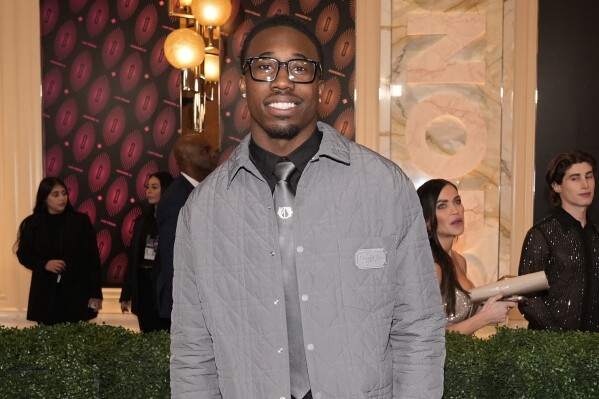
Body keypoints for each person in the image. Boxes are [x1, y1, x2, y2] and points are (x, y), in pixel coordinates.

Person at [170, 15, 445, 399]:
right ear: (244, 83)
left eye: (300, 67)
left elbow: (418, 327)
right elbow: (193, 349)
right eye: (265, 66)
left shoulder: (385, 187)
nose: (283, 80)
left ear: (320, 85)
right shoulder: (202, 211)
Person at [417, 179, 515, 335]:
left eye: (457, 201)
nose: (455, 210)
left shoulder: (459, 261)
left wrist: (496, 301)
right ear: (427, 220)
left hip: (462, 355)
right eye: (442, 206)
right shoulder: (431, 267)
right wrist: (485, 317)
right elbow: (427, 336)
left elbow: (462, 316)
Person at [518, 150, 599, 332]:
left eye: (589, 176)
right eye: (575, 178)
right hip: (551, 350)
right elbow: (528, 298)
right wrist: (561, 340)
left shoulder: (596, 235)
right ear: (556, 186)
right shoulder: (541, 234)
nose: (585, 185)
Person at [15, 177, 103, 325]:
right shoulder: (32, 224)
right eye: (55, 194)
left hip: (77, 294)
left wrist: (96, 293)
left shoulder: (80, 221)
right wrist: (44, 264)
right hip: (45, 295)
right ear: (44, 198)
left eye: (64, 193)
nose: (62, 198)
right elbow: (23, 255)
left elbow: (93, 259)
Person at [155, 134, 216, 322]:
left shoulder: (204, 190)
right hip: (188, 305)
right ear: (188, 157)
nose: (214, 154)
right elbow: (174, 257)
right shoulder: (176, 199)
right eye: (205, 150)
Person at [120, 171, 173, 333]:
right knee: (146, 334)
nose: (148, 191)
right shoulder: (142, 220)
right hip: (143, 287)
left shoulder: (175, 218)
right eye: (147, 187)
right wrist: (126, 293)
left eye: (154, 187)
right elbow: (133, 257)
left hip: (163, 288)